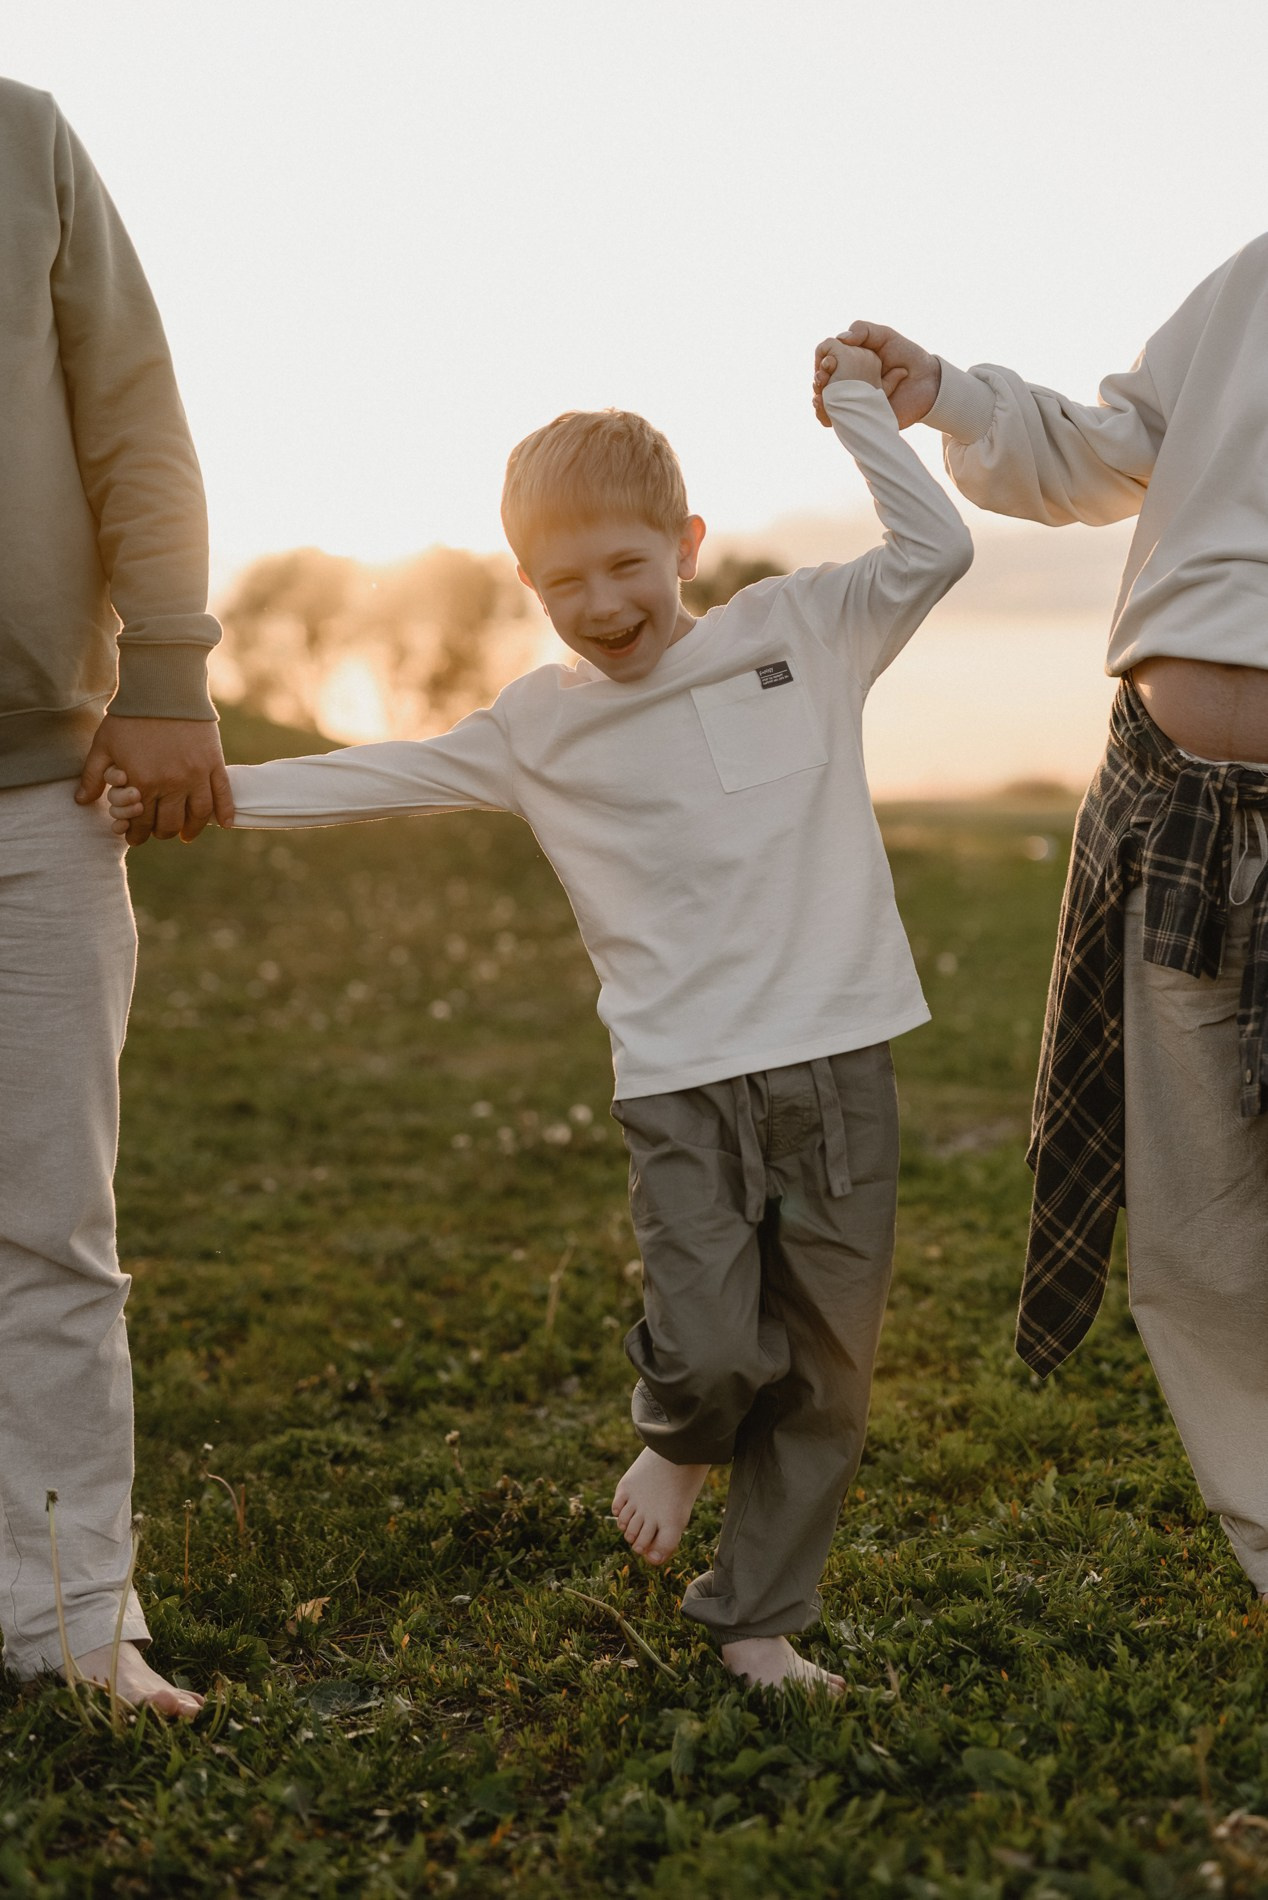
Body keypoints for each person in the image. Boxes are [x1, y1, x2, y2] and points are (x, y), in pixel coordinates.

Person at [109, 339, 973, 1691]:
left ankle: (756, 1617)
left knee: (826, 1375)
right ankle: (678, 1435)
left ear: (686, 544)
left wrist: (858, 409)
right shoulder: (536, 729)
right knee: (706, 1346)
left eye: (628, 565)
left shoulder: (800, 630)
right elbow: (369, 777)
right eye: (565, 581)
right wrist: (193, 793)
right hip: (682, 1080)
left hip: (837, 1065)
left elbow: (937, 549)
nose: (603, 602)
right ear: (527, 584)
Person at [813, 238, 1268, 1598]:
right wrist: (944, 390)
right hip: (1170, 804)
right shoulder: (1253, 282)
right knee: (1200, 1225)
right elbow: (1106, 449)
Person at [0, 75, 232, 1716]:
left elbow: (132, 407)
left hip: (33, 783)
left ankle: (75, 1618)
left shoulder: (21, 138)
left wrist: (166, 664)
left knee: (48, 1232)